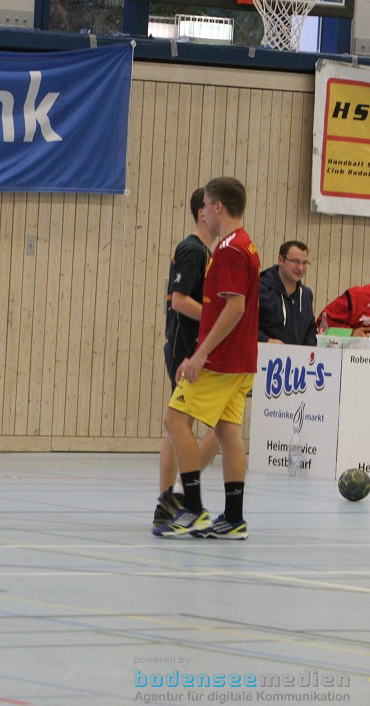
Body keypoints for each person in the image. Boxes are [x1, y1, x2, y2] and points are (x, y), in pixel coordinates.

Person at [155, 176, 260, 540]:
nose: (205, 215)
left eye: (208, 207)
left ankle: (193, 508)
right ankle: (233, 517)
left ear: (217, 207)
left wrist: (200, 354)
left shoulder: (229, 249)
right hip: (242, 359)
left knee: (175, 420)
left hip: (221, 360)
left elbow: (234, 308)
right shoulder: (245, 245)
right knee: (229, 433)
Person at [154, 187, 218, 528]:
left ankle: (171, 496)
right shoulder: (192, 249)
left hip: (199, 348)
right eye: (214, 207)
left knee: (187, 425)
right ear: (202, 212)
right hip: (185, 348)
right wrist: (218, 319)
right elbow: (179, 301)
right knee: (179, 422)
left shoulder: (210, 252)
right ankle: (169, 498)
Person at [258, 240, 317, 345]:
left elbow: (311, 327)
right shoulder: (260, 290)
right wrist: (266, 340)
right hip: (264, 357)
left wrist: (309, 348)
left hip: (297, 359)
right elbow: (245, 325)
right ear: (281, 260)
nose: (300, 268)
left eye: (304, 263)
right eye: (295, 261)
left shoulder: (306, 295)